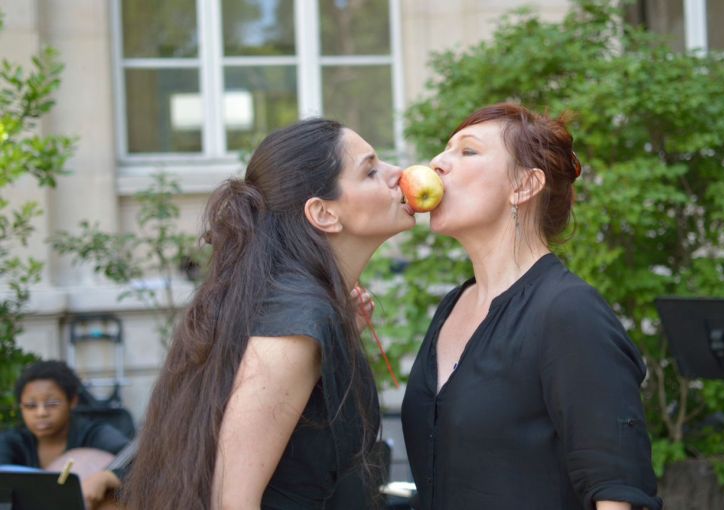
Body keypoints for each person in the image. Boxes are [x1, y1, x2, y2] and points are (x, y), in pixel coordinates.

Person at [122, 118, 415, 510]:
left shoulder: (305, 312)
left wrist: (340, 336)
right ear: (324, 213)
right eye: (371, 170)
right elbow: (233, 501)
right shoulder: (296, 321)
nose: (399, 174)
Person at [401, 102, 662, 510]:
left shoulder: (569, 311)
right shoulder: (453, 306)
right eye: (444, 150)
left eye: (467, 151)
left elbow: (615, 491)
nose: (437, 163)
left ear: (523, 186)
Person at [0, 360, 131, 510]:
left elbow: (140, 460)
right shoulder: (11, 443)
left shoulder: (94, 434)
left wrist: (108, 477)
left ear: (72, 401)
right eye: (30, 406)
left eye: (52, 404)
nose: (41, 413)